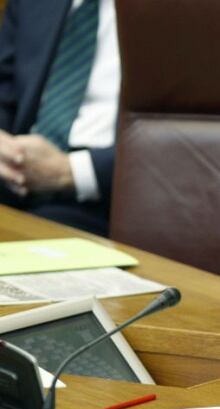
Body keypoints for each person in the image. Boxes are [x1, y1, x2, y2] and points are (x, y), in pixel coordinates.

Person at [0, 0, 120, 236]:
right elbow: (4, 89)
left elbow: (182, 142)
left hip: (102, 194)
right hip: (15, 170)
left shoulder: (184, 11)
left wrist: (69, 171)